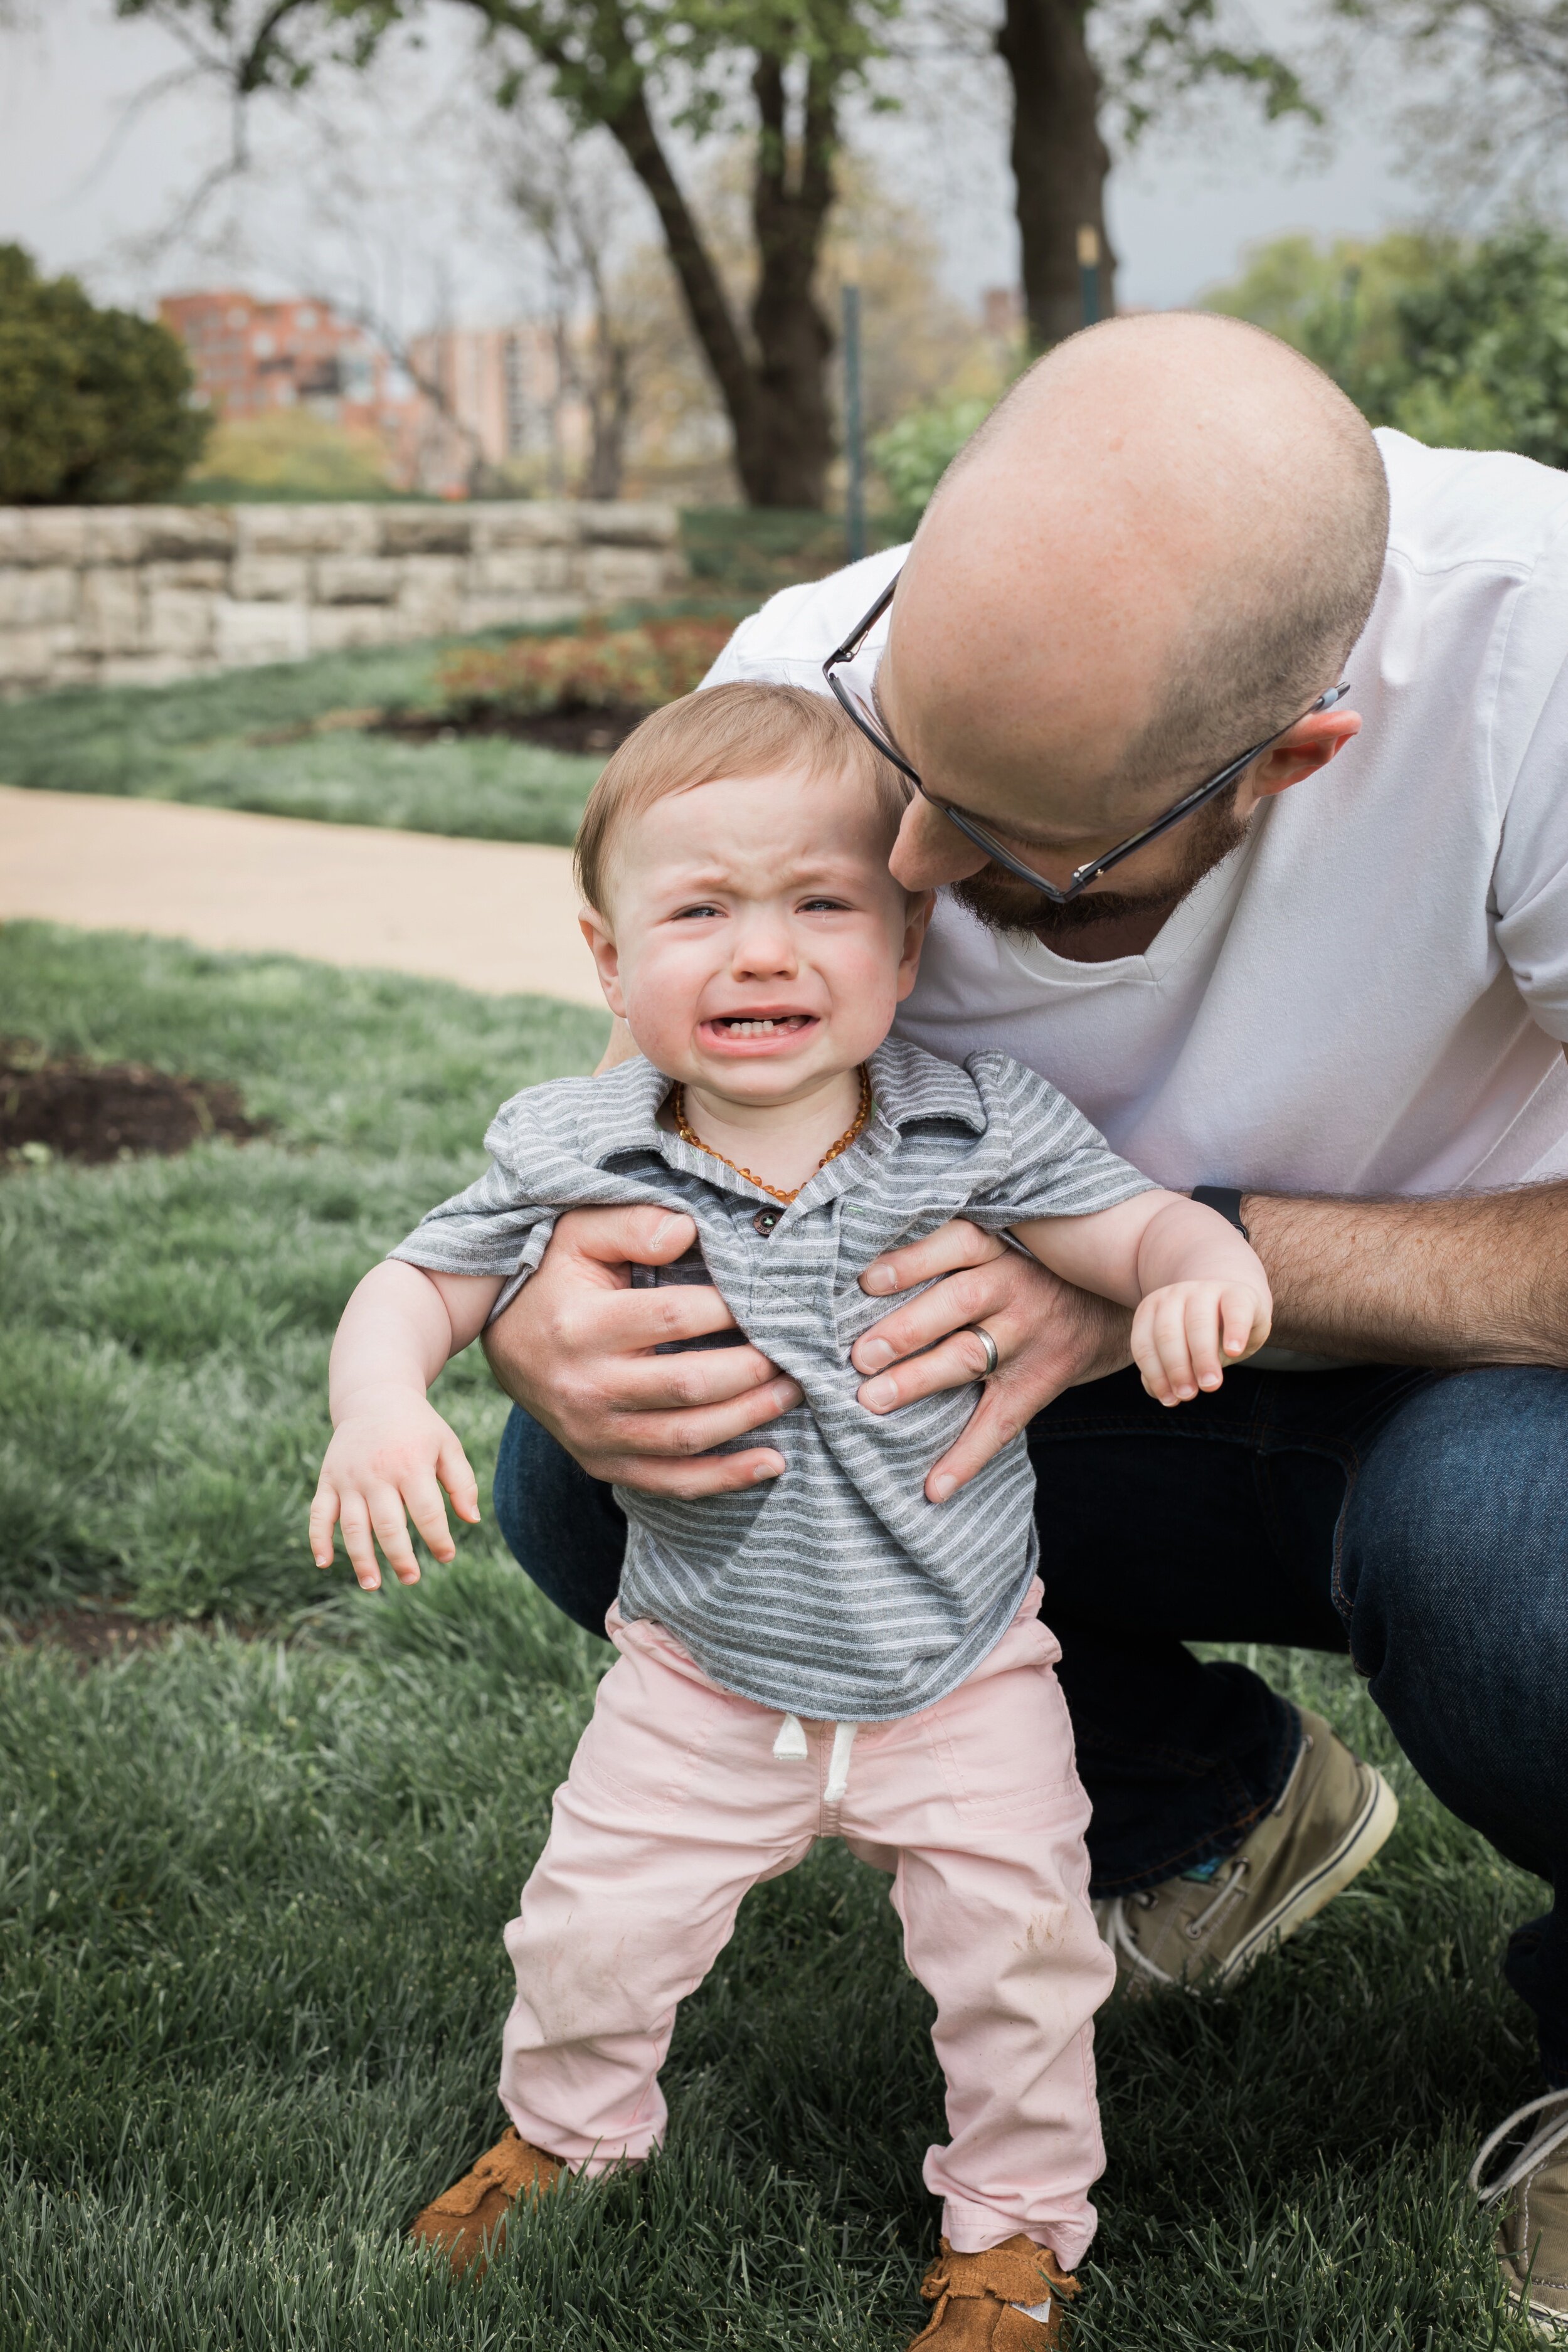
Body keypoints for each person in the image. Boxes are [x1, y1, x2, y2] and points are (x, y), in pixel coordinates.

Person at [478, 312, 1568, 2334]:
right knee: (601, 1465)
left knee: (1516, 1568)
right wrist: (564, 1295)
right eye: (906, 770)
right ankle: (1196, 1816)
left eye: (1014, 856)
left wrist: (1194, 1253)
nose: (904, 864)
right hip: (1018, 1386)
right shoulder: (808, 672)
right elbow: (682, 1111)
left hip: (1487, 1381)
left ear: (1289, 760)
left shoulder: (1540, 660)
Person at [310, 682, 1276, 2345]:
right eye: (699, 913)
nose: (761, 955)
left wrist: (1202, 1271)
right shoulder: (581, 1144)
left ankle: (1012, 2237)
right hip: (696, 1678)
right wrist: (379, 1400)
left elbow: (1138, 1235)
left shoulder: (975, 1127)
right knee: (588, 1934)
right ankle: (568, 2135)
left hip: (964, 1676)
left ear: (904, 951)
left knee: (1026, 1971)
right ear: (610, 967)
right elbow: (418, 1280)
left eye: (819, 907)